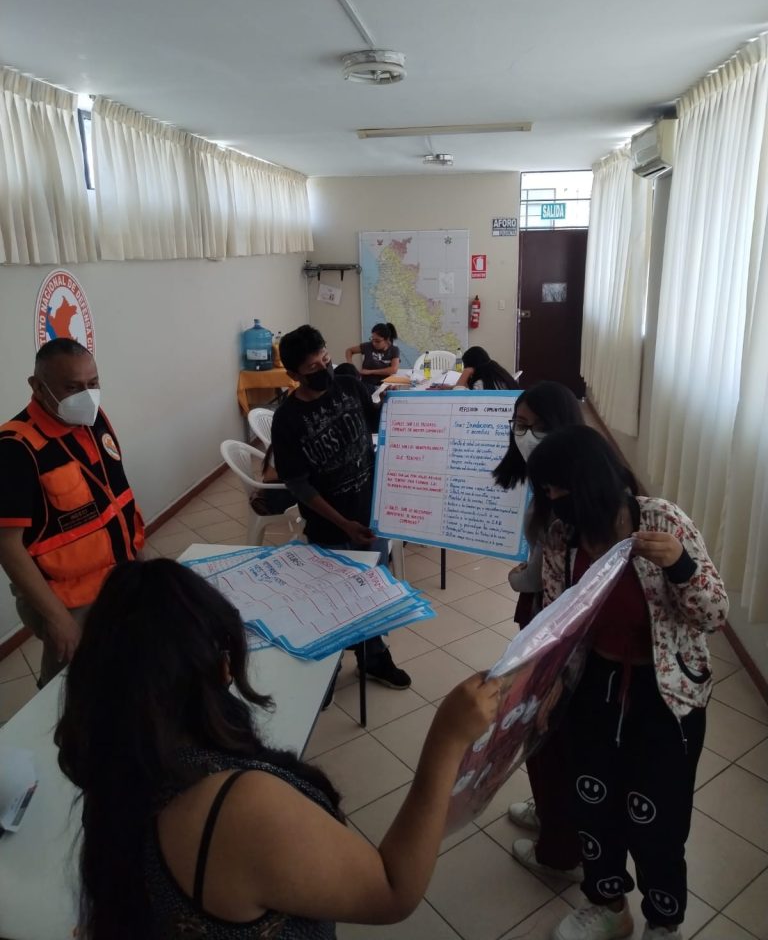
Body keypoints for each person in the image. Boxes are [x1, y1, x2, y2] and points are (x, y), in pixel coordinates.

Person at [55, 558, 501, 940]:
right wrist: (448, 741)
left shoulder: (117, 770)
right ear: (219, 666)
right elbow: (392, 889)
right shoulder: (238, 808)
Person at [526, 425, 728, 940]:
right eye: (545, 490)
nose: (552, 500)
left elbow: (713, 614)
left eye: (558, 488)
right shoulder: (563, 536)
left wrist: (680, 565)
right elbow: (557, 621)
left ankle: (664, 920)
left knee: (659, 818)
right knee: (592, 802)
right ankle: (609, 905)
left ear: (590, 481)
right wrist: (549, 685)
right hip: (594, 684)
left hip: (666, 693)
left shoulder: (661, 520)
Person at [272, 324, 410, 690]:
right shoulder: (287, 420)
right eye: (313, 368)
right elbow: (298, 483)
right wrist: (344, 524)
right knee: (336, 600)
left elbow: (377, 422)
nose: (324, 370)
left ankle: (374, 657)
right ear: (294, 375)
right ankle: (327, 670)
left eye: (326, 359)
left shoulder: (349, 386)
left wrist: (399, 407)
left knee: (372, 590)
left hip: (371, 514)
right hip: (330, 527)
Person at [0, 338, 144, 686]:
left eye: (93, 383)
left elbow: (116, 500)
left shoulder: (94, 420)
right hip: (67, 601)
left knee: (125, 668)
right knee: (71, 686)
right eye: (73, 387)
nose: (88, 395)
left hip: (120, 577)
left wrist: (142, 563)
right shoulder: (14, 449)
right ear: (37, 386)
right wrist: (58, 619)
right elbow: (6, 545)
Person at [491, 382, 586, 882]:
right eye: (520, 425)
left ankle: (559, 848)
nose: (526, 436)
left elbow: (556, 574)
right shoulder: (549, 476)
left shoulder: (570, 491)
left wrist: (520, 578)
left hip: (561, 630)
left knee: (550, 727)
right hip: (546, 616)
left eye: (539, 427)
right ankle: (552, 814)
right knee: (542, 731)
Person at [345, 322, 400, 394]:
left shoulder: (394, 350)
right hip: (367, 384)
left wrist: (370, 371)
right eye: (372, 339)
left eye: (377, 341)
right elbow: (349, 351)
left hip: (385, 385)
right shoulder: (368, 346)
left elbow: (393, 369)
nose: (374, 343)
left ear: (386, 340)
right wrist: (351, 365)